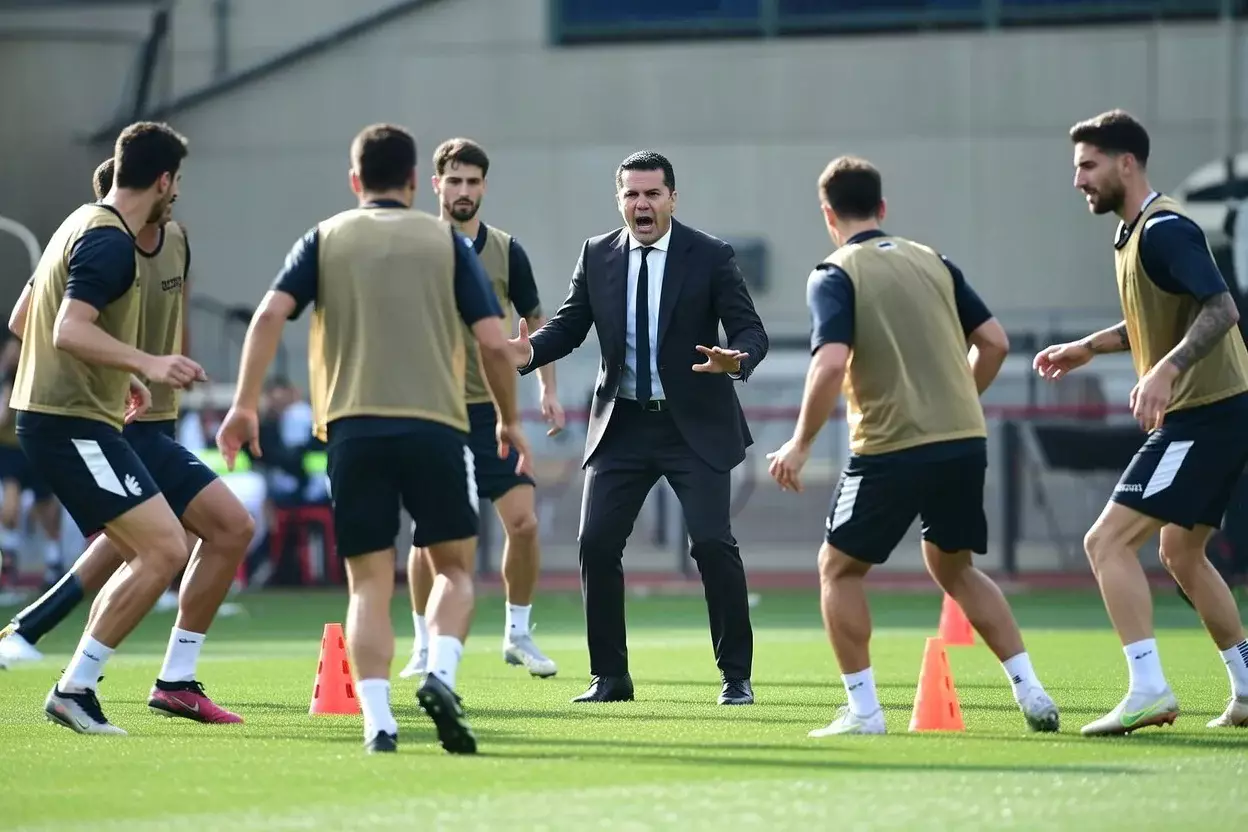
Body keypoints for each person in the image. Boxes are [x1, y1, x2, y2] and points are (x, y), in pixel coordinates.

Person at [215, 123, 531, 755]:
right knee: (455, 571)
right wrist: (508, 417)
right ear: (418, 182)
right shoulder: (446, 242)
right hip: (436, 426)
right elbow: (495, 342)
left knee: (368, 584)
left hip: (352, 430)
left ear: (355, 181)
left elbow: (270, 313)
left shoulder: (324, 238)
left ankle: (379, 721)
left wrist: (244, 404)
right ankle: (440, 673)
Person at [766, 156, 1060, 737]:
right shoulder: (935, 261)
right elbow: (995, 342)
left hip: (890, 446)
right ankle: (1032, 690)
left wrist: (799, 444)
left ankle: (865, 711)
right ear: (882, 209)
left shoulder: (834, 272)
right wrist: (958, 401)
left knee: (838, 569)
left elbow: (829, 364)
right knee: (955, 567)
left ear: (828, 215)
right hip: (962, 441)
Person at [0, 157, 253, 724]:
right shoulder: (100, 241)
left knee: (225, 529)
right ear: (158, 186)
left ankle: (171, 680)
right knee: (157, 544)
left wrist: (146, 371)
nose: (177, 194)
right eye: (175, 182)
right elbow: (34, 322)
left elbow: (175, 318)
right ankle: (68, 671)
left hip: (151, 415)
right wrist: (130, 366)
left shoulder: (175, 240)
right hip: (112, 422)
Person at [512, 150, 768, 705]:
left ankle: (736, 677)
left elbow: (752, 330)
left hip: (692, 425)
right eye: (632, 194)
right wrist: (526, 351)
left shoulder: (710, 256)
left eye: (652, 193)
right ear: (619, 200)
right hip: (622, 424)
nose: (642, 204)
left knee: (711, 544)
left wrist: (737, 359)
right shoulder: (597, 254)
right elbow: (570, 325)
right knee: (596, 543)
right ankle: (610, 676)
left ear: (673, 198)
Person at [1035, 110, 1248, 735]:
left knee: (1105, 542)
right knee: (1180, 552)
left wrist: (1166, 371)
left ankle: (1149, 689)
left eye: (1088, 165)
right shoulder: (1132, 235)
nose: (1078, 180)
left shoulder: (1165, 230)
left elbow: (1221, 308)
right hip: (1211, 409)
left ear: (1127, 163)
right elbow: (1157, 319)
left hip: (1207, 413)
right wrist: (1089, 347)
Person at [399, 137, 564, 682]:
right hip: (432, 410)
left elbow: (535, 323)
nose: (464, 190)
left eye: (473, 181)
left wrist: (546, 388)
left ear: (484, 187)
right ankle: (423, 645)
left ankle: (518, 633)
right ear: (436, 185)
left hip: (494, 411)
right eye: (455, 181)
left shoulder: (506, 249)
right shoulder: (415, 244)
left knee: (524, 523)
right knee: (429, 535)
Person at [0, 334, 63, 591]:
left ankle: (54, 562)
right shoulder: (5, 382)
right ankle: (9, 563)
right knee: (11, 506)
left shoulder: (37, 378)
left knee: (45, 508)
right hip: (10, 452)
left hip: (34, 449)